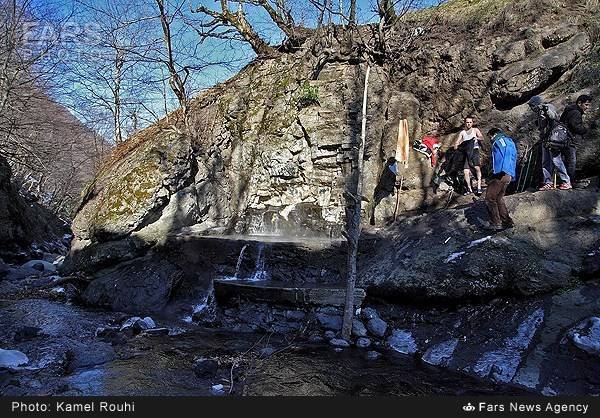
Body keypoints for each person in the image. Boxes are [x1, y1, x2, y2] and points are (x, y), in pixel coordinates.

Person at [527, 95, 571, 190]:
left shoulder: (548, 106)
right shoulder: (538, 112)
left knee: (556, 160)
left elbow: (553, 116)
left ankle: (566, 181)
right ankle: (548, 182)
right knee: (545, 162)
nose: (531, 109)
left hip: (553, 139)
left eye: (531, 106)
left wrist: (545, 109)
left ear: (536, 104)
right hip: (545, 139)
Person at [484, 128, 517, 231]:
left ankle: (496, 223)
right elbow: (514, 156)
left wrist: (502, 170)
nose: (490, 139)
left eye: (490, 137)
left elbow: (506, 154)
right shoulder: (510, 141)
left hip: (501, 173)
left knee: (490, 198)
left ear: (494, 134)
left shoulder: (501, 141)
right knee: (499, 198)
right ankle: (507, 222)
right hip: (508, 174)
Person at [560, 94, 593, 187]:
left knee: (565, 161)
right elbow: (575, 126)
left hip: (563, 140)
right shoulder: (576, 112)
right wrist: (585, 130)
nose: (587, 107)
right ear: (579, 103)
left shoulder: (570, 110)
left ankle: (565, 181)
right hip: (569, 140)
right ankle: (570, 182)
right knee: (571, 161)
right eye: (586, 105)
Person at [453, 116, 484, 196]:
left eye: (470, 122)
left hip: (474, 150)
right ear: (465, 123)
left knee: (477, 167)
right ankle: (469, 189)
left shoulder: (475, 130)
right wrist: (458, 145)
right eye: (467, 122)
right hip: (466, 152)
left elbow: (482, 137)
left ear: (472, 123)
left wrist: (476, 138)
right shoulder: (462, 132)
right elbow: (456, 143)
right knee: (465, 171)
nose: (469, 124)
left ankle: (479, 186)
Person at [369, 156, 398, 225]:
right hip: (386, 188)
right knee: (377, 201)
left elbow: (384, 180)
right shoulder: (390, 169)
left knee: (376, 201)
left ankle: (373, 218)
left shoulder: (388, 169)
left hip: (385, 188)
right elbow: (385, 180)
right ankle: (373, 219)